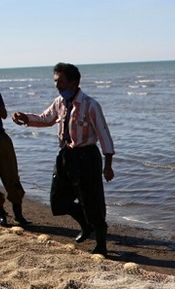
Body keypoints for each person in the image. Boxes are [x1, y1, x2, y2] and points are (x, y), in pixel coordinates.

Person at [12, 62, 115, 255]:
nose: (57, 86)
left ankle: (101, 245)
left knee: (92, 201)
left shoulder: (90, 105)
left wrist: (108, 165)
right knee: (58, 200)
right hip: (66, 155)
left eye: (60, 82)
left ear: (74, 82)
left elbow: (104, 135)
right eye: (56, 82)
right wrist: (26, 118)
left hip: (87, 156)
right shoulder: (59, 102)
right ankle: (86, 225)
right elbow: (46, 118)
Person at [0, 92, 29, 227]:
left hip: (1, 140)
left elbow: (4, 114)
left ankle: (18, 215)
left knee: (12, 177)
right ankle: (1, 214)